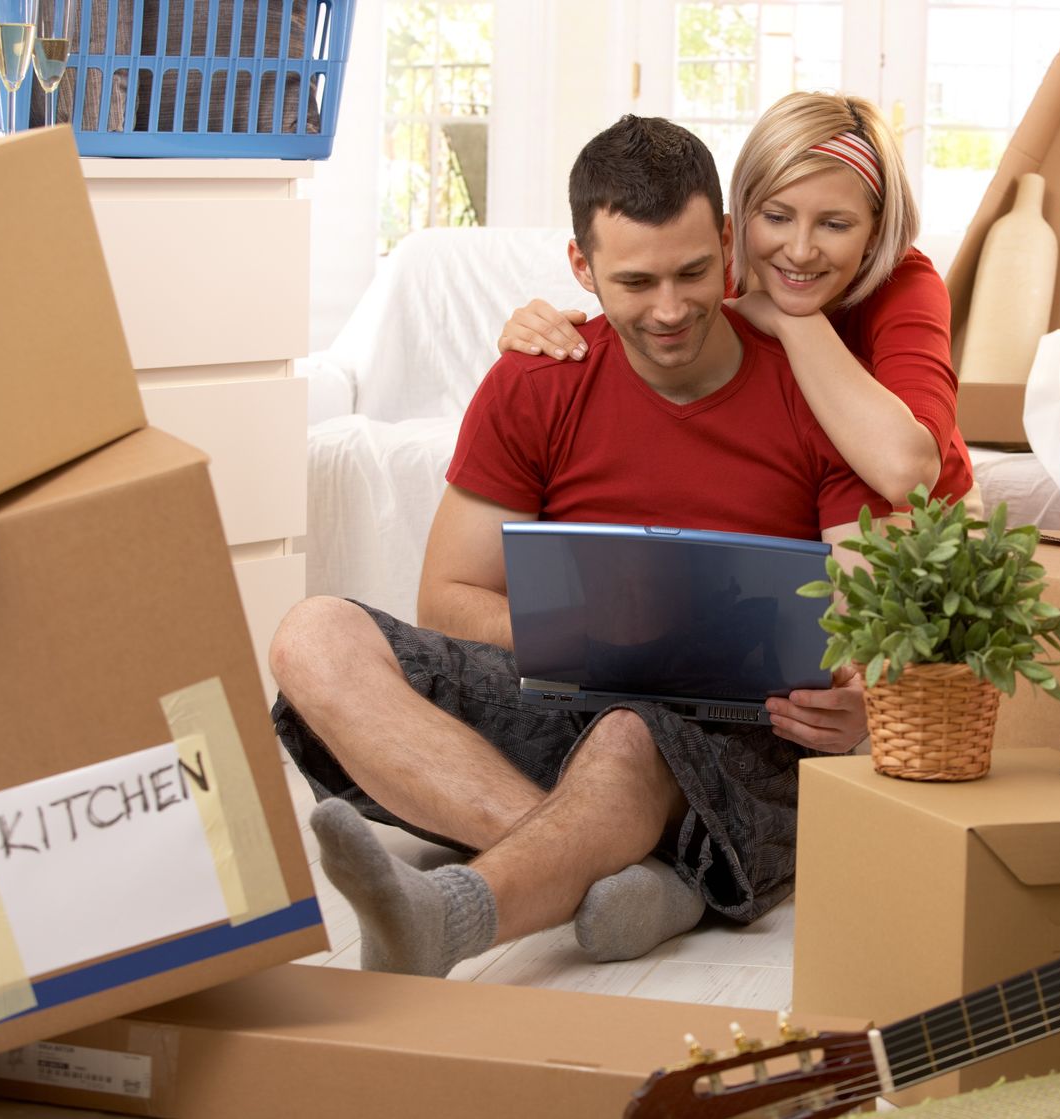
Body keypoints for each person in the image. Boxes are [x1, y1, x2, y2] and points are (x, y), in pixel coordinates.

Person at [268, 115, 890, 978]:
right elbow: (447, 597)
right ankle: (628, 874)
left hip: (741, 747)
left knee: (636, 732)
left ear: (725, 243)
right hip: (562, 699)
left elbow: (869, 618)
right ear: (580, 267)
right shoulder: (538, 378)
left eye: (692, 273)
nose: (668, 310)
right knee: (313, 634)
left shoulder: (813, 393)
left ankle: (452, 913)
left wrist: (863, 705)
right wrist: (605, 641)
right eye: (634, 281)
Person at [497, 91, 978, 512]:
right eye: (776, 216)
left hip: (924, 519)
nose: (800, 250)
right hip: (813, 500)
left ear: (874, 234)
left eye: (834, 224)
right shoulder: (714, 270)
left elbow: (906, 476)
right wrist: (539, 332)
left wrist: (792, 322)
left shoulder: (905, 285)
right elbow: (637, 314)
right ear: (738, 220)